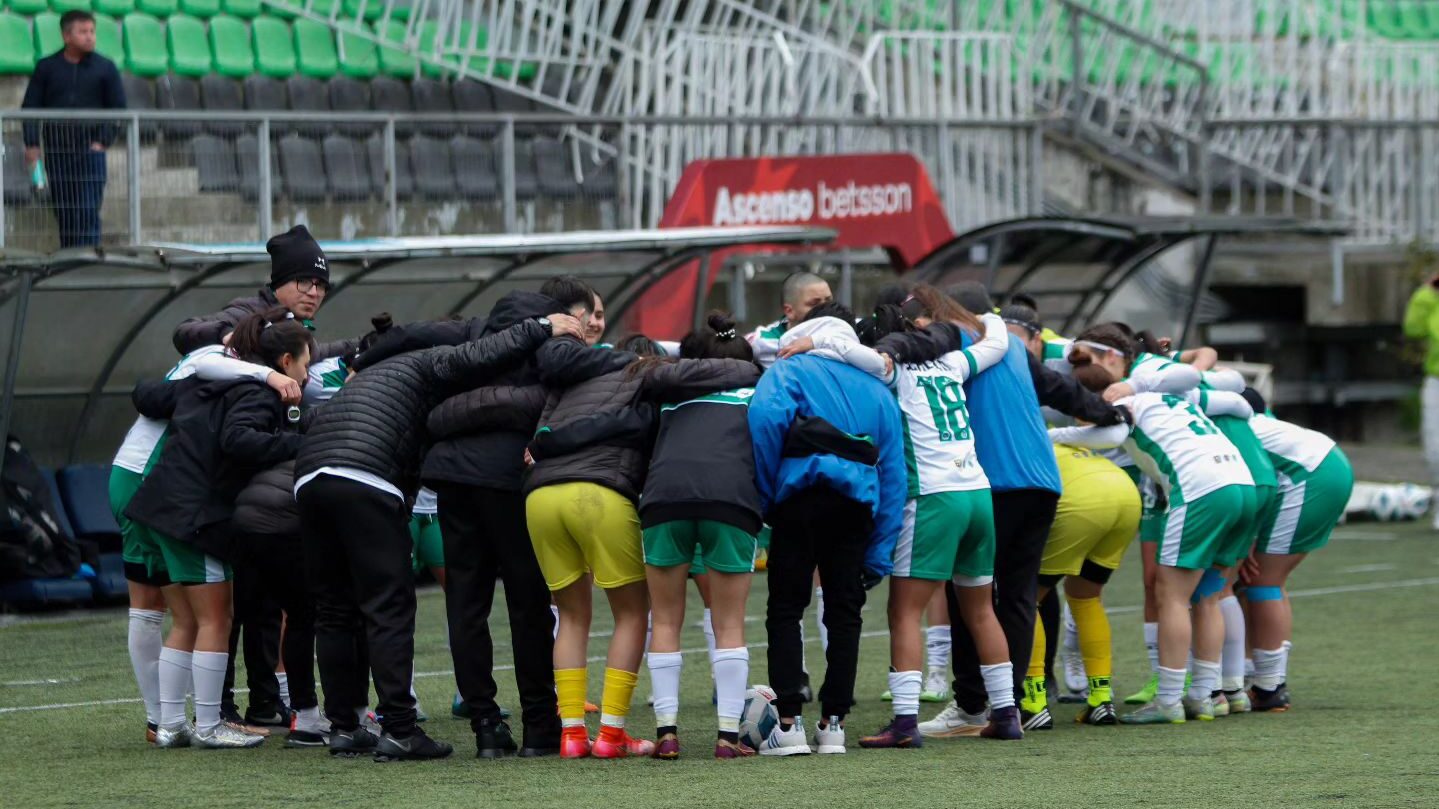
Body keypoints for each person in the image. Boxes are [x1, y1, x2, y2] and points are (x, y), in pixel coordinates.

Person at [296, 309, 584, 762]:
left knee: (334, 611)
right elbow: (477, 354)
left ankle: (345, 727)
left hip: (310, 476)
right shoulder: (425, 362)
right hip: (367, 476)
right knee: (388, 606)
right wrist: (543, 327)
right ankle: (400, 729)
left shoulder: (369, 377)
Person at [893, 283, 1124, 739]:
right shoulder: (1014, 348)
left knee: (969, 594)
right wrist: (1108, 413)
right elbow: (1060, 390)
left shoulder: (954, 336)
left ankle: (972, 703)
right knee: (1018, 596)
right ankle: (1011, 704)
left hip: (990, 479)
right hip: (1042, 480)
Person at [525, 329, 760, 760]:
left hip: (552, 495)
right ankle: (719, 737)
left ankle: (590, 734)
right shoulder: (659, 390)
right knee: (671, 617)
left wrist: (543, 442)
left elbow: (573, 420)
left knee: (577, 616)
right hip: (654, 498)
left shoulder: (577, 380)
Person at [800, 288, 1020, 746]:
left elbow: (854, 355)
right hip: (977, 492)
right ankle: (1006, 713)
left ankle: (903, 724)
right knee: (980, 610)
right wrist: (987, 314)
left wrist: (812, 343)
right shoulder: (951, 364)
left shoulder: (890, 369)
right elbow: (995, 343)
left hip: (933, 498)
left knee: (905, 610)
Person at [124, 309, 313, 749]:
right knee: (216, 618)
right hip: (195, 516)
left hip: (160, 509)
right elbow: (238, 440)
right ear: (285, 362)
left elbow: (153, 394)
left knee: (186, 620)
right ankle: (210, 725)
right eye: (304, 364)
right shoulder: (256, 392)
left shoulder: (210, 378)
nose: (305, 376)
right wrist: (301, 443)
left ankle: (170, 725)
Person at [1052, 357, 1257, 725]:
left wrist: (1048, 436)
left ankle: (1167, 701)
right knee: (1209, 596)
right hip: (1242, 483)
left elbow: (1111, 434)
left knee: (1171, 596)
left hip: (1201, 489)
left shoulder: (1123, 402)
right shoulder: (1170, 398)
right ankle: (1203, 697)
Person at [747, 302, 906, 756]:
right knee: (844, 614)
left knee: (785, 609)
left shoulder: (789, 369)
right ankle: (833, 724)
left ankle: (789, 723)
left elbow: (763, 423)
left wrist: (763, 498)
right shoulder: (878, 390)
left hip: (797, 500)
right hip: (855, 510)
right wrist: (879, 553)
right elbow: (895, 475)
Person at [998, 305, 1143, 729]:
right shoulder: (1088, 436)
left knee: (1026, 597)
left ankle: (1034, 700)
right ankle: (1100, 698)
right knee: (1085, 597)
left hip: (1084, 496)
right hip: (1122, 491)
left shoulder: (1041, 441)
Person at [638, 312, 764, 760]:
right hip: (729, 501)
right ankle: (728, 738)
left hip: (662, 500)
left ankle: (667, 734)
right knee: (727, 623)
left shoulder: (667, 396)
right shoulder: (757, 392)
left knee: (666, 620)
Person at [1241, 390, 1354, 712]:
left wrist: (1247, 538)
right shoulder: (1254, 420)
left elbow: (1257, 480)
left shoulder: (1225, 427)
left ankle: (1269, 686)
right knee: (1259, 581)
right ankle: (1255, 676)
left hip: (1310, 476)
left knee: (1262, 581)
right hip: (1325, 462)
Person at [172, 225, 355, 367]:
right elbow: (184, 331)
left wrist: (366, 343)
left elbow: (322, 351)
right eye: (305, 282)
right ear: (280, 282)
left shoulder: (296, 328)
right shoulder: (251, 313)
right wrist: (225, 333)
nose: (314, 293)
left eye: (321, 286)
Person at [21, 10, 126, 248]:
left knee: (88, 209)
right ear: (67, 36)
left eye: (92, 31)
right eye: (83, 32)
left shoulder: (106, 68)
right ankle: (69, 262)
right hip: (58, 151)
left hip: (91, 152)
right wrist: (32, 144)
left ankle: (89, 264)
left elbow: (119, 110)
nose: (90, 37)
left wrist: (102, 142)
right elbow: (30, 108)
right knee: (65, 212)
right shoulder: (47, 67)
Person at [1404, 275, 1439, 531]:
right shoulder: (1431, 298)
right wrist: (1427, 292)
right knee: (1434, 449)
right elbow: (1413, 328)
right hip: (1436, 379)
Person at [746, 271, 834, 368]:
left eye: (828, 301)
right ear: (789, 311)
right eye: (814, 304)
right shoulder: (764, 341)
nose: (826, 308)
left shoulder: (847, 330)